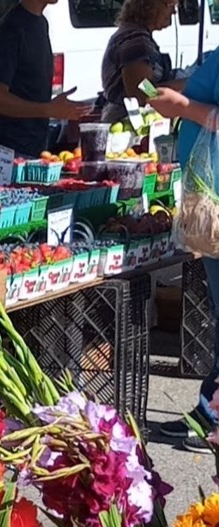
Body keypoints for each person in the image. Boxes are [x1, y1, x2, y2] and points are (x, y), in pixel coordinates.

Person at [147, 55, 219, 451]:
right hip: (209, 202)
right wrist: (176, 89)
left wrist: (183, 108)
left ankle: (211, 418)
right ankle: (209, 410)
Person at [0, 0, 91, 159]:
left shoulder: (41, 23)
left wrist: (66, 112)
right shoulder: (10, 30)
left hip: (35, 148)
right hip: (9, 153)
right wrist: (49, 109)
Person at [99, 0, 184, 123]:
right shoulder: (135, 40)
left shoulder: (136, 35)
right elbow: (140, 89)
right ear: (150, 6)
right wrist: (180, 86)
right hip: (129, 124)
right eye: (170, 5)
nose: (174, 11)